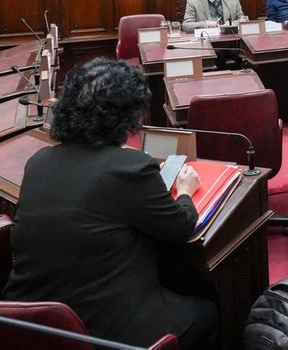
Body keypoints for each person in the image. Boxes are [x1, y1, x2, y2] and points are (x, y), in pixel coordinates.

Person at [3, 59, 217, 348]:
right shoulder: (130, 167)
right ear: (125, 116)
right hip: (105, 334)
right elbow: (181, 227)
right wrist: (185, 192)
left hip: (32, 328)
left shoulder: (38, 162)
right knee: (208, 312)